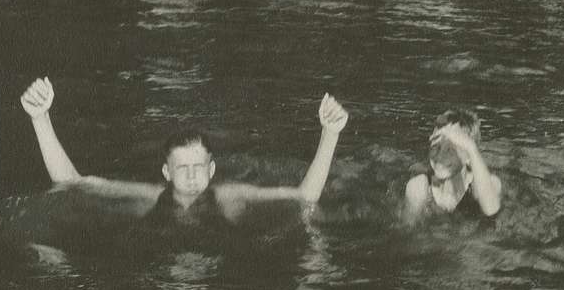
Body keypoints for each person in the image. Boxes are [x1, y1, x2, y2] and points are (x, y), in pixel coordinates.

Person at [19, 76, 348, 224]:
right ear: (166, 173)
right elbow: (72, 182)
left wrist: (330, 134)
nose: (191, 178)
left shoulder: (232, 195)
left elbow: (305, 195)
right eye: (182, 169)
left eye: (198, 168)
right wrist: (40, 118)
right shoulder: (149, 196)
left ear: (212, 170)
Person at [403, 109, 502, 222]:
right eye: (436, 147)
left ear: (469, 156)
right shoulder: (418, 187)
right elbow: (407, 231)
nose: (440, 157)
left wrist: (471, 148)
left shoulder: (488, 183)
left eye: (451, 150)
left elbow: (491, 210)